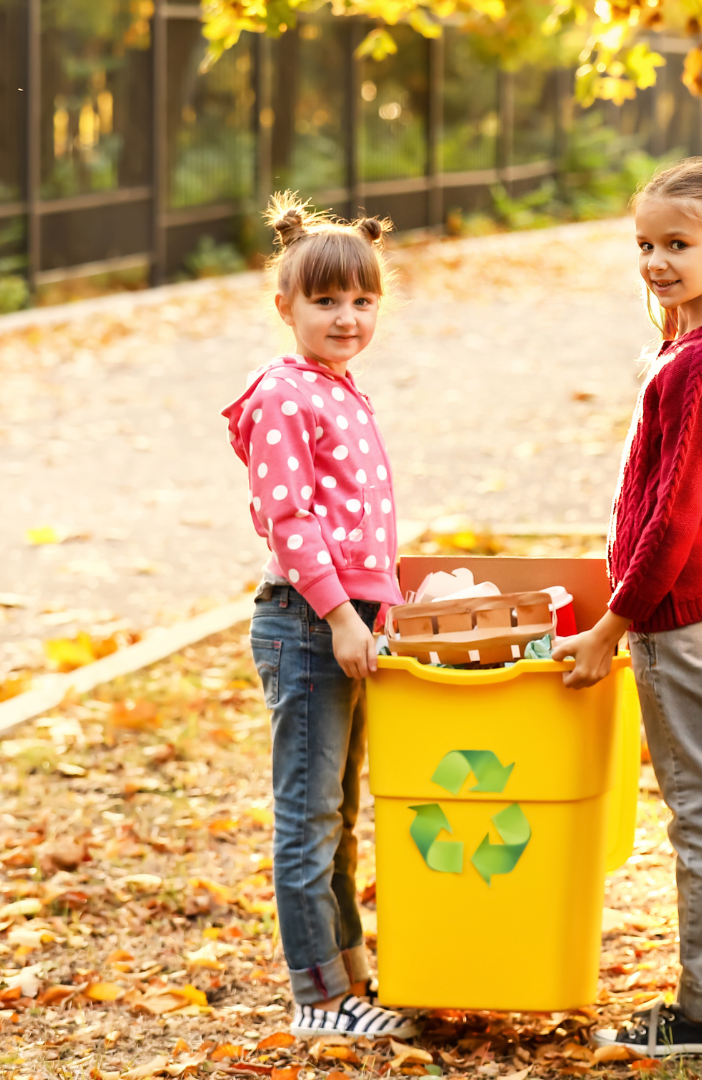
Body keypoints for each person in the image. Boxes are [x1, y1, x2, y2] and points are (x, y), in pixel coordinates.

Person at [552, 158, 702, 1059]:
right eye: (645, 244)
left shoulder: (700, 362)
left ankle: (700, 1011)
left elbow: (674, 510)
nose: (655, 260)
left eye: (677, 245)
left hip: (681, 610)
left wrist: (613, 625)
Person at [222, 195, 416, 1039]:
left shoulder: (337, 388)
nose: (347, 317)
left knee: (337, 813)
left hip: (351, 620)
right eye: (326, 301)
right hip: (308, 623)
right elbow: (290, 520)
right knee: (307, 818)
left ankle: (348, 974)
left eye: (362, 301)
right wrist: (341, 616)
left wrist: (386, 608)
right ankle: (319, 999)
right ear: (285, 306)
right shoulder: (281, 394)